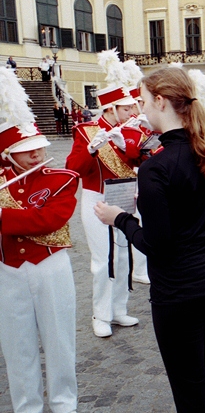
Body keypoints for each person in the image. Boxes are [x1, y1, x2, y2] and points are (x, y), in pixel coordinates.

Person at [94, 67, 205, 413]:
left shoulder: (157, 166)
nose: (140, 110)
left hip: (180, 292)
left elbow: (156, 244)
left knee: (190, 391)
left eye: (142, 102)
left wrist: (120, 217)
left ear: (160, 101)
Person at [0, 69, 80, 413]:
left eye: (39, 147)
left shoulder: (61, 178)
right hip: (8, 271)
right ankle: (27, 411)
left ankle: (65, 403)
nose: (36, 153)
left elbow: (50, 218)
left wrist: (4, 219)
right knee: (16, 343)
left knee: (59, 336)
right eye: (25, 150)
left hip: (51, 266)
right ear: (7, 155)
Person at [66, 85, 144, 338]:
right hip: (97, 198)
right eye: (126, 108)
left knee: (123, 256)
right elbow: (74, 168)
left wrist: (125, 147)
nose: (131, 111)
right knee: (103, 260)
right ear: (110, 109)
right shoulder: (86, 132)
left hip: (121, 196)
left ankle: (118, 309)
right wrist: (91, 149)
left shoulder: (130, 129)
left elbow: (136, 162)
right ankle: (100, 314)